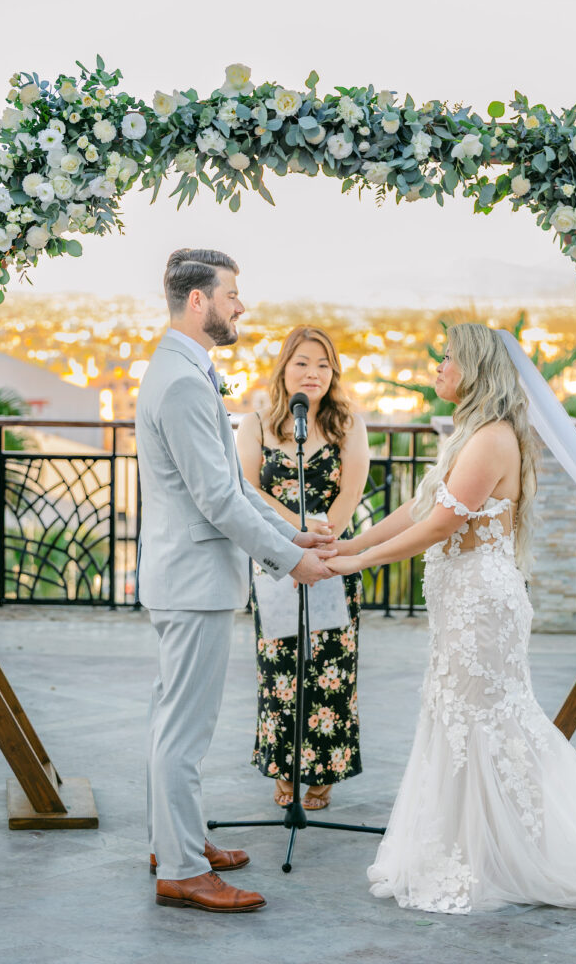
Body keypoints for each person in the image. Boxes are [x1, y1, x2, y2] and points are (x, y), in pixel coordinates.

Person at [329, 322, 576, 914]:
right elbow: (418, 506)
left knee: (485, 721)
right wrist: (349, 546)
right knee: (456, 715)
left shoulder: (491, 438)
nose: (438, 365)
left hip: (482, 603)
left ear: (475, 368)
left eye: (448, 357)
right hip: (461, 598)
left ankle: (513, 851)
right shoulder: (470, 433)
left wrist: (359, 565)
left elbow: (439, 526)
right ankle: (475, 847)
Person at [135, 250, 336, 914]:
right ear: (199, 300)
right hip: (192, 580)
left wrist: (291, 537)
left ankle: (178, 842)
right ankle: (184, 870)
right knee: (184, 732)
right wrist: (289, 562)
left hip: (187, 576)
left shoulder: (184, 368)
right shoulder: (186, 382)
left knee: (174, 723)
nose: (239, 306)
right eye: (231, 295)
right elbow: (215, 503)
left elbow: (229, 487)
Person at [236, 326, 369, 811]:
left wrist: (324, 541)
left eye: (322, 365)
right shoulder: (256, 425)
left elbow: (351, 491)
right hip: (276, 560)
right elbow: (249, 491)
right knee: (280, 671)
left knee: (329, 667)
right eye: (302, 363)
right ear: (284, 368)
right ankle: (284, 768)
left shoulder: (348, 423)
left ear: (333, 373)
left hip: (331, 561)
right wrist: (296, 538)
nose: (312, 374)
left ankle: (323, 769)